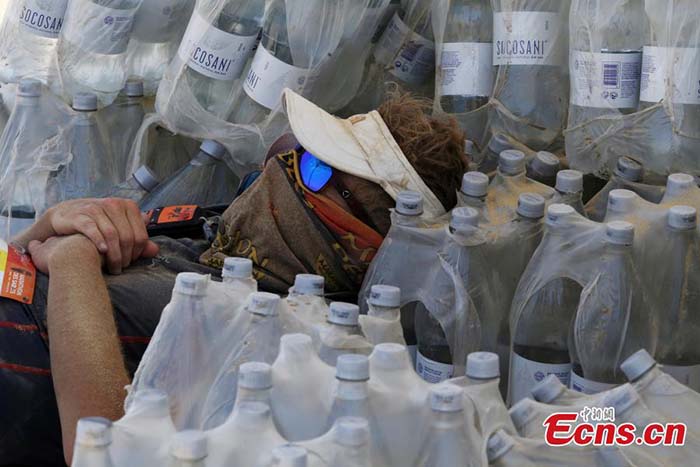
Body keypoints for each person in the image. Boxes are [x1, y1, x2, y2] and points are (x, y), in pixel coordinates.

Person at [0, 89, 466, 465]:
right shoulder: (217, 234)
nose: (280, 167)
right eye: (293, 147)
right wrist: (52, 224)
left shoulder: (268, 337)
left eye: (314, 165)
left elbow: (100, 447)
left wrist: (75, 261)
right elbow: (22, 268)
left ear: (361, 245)